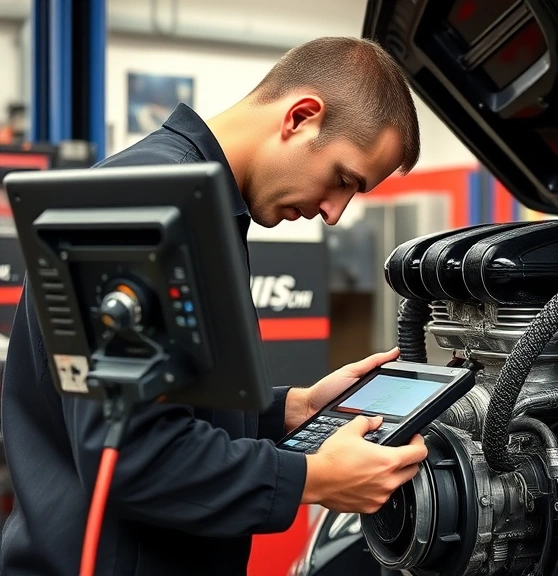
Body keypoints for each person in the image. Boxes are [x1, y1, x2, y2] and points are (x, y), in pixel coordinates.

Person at [0, 37, 427, 576]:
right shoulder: (145, 201)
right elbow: (134, 458)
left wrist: (291, 408)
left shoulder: (199, 207)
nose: (335, 212)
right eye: (342, 180)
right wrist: (315, 478)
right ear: (300, 117)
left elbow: (170, 402)